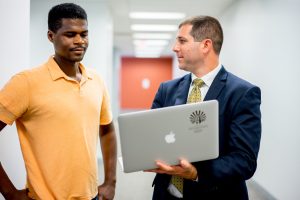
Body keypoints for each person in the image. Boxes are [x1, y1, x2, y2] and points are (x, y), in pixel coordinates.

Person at [0, 3, 117, 200]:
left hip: (91, 197)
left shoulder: (96, 81)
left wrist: (110, 182)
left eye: (84, 34)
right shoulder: (26, 83)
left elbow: (107, 130)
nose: (80, 41)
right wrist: (9, 192)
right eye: (70, 35)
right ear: (50, 36)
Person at [146, 16, 261, 199]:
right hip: (166, 193)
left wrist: (196, 173)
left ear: (206, 45)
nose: (175, 48)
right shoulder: (166, 90)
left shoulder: (243, 94)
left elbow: (244, 160)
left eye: (182, 41)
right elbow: (151, 138)